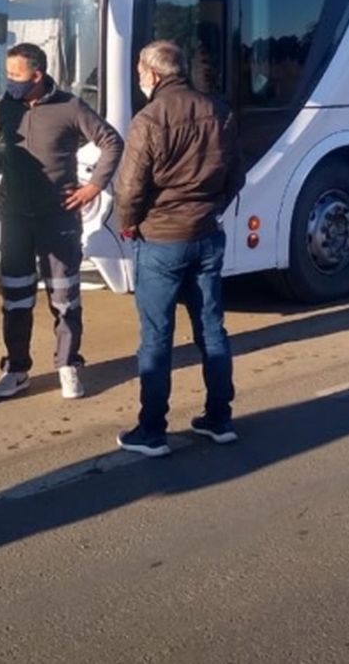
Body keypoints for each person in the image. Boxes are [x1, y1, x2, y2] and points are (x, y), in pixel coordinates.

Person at [112, 40, 245, 457]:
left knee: (156, 336)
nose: (138, 79)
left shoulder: (149, 118)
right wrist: (211, 209)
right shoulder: (219, 110)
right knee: (211, 328)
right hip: (207, 236)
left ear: (152, 74)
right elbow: (236, 175)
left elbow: (130, 187)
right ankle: (219, 419)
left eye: (139, 73)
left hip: (161, 239)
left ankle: (152, 431)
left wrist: (128, 225)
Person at [0, 43, 123, 400]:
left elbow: (112, 142)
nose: (9, 82)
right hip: (14, 222)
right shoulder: (4, 107)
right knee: (16, 298)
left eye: (16, 75)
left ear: (37, 76)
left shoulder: (69, 107)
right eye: (7, 74)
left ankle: (68, 365)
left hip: (58, 220)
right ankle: (17, 368)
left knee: (65, 296)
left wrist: (93, 187)